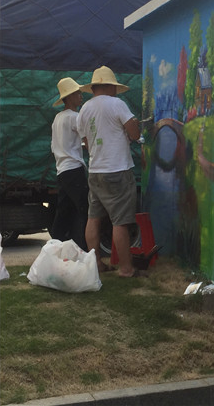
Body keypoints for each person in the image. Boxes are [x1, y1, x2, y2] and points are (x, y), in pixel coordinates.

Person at [77, 66, 140, 278]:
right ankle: (126, 269)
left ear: (94, 87)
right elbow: (134, 134)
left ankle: (96, 264)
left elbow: (86, 142)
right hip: (117, 169)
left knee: (93, 218)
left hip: (95, 171)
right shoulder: (117, 104)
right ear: (110, 86)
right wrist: (132, 129)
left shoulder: (84, 109)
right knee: (120, 221)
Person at [50, 78, 90, 251]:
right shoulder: (75, 117)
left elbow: (57, 145)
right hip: (74, 169)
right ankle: (85, 249)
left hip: (61, 170)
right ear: (69, 97)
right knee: (84, 210)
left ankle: (54, 248)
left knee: (63, 212)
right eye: (77, 93)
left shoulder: (58, 118)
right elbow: (87, 140)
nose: (81, 96)